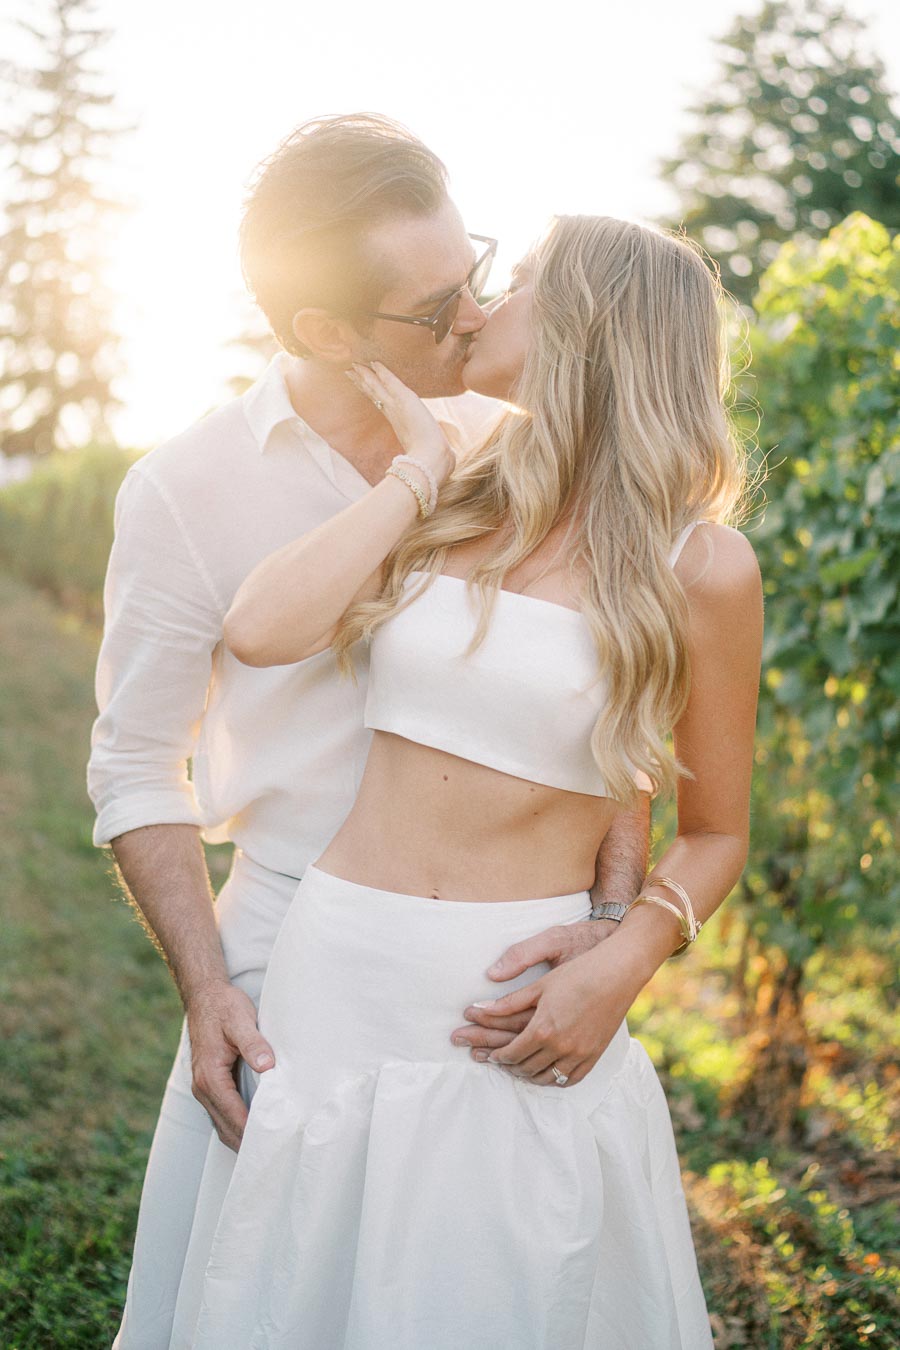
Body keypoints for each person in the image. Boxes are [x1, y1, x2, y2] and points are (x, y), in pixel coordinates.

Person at [87, 116, 650, 1349]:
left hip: (503, 957)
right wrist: (208, 987)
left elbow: (621, 692)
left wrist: (612, 925)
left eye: (479, 270)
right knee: (278, 1292)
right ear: (324, 333)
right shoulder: (185, 489)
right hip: (292, 949)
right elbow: (136, 765)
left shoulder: (519, 442)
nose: (475, 315)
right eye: (437, 302)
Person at [175, 214, 764, 1348]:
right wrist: (416, 469)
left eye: (526, 282)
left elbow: (719, 831)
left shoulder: (701, 565)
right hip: (336, 968)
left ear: (592, 327)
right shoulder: (463, 499)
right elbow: (259, 628)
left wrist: (622, 963)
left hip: (512, 1001)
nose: (484, 305)